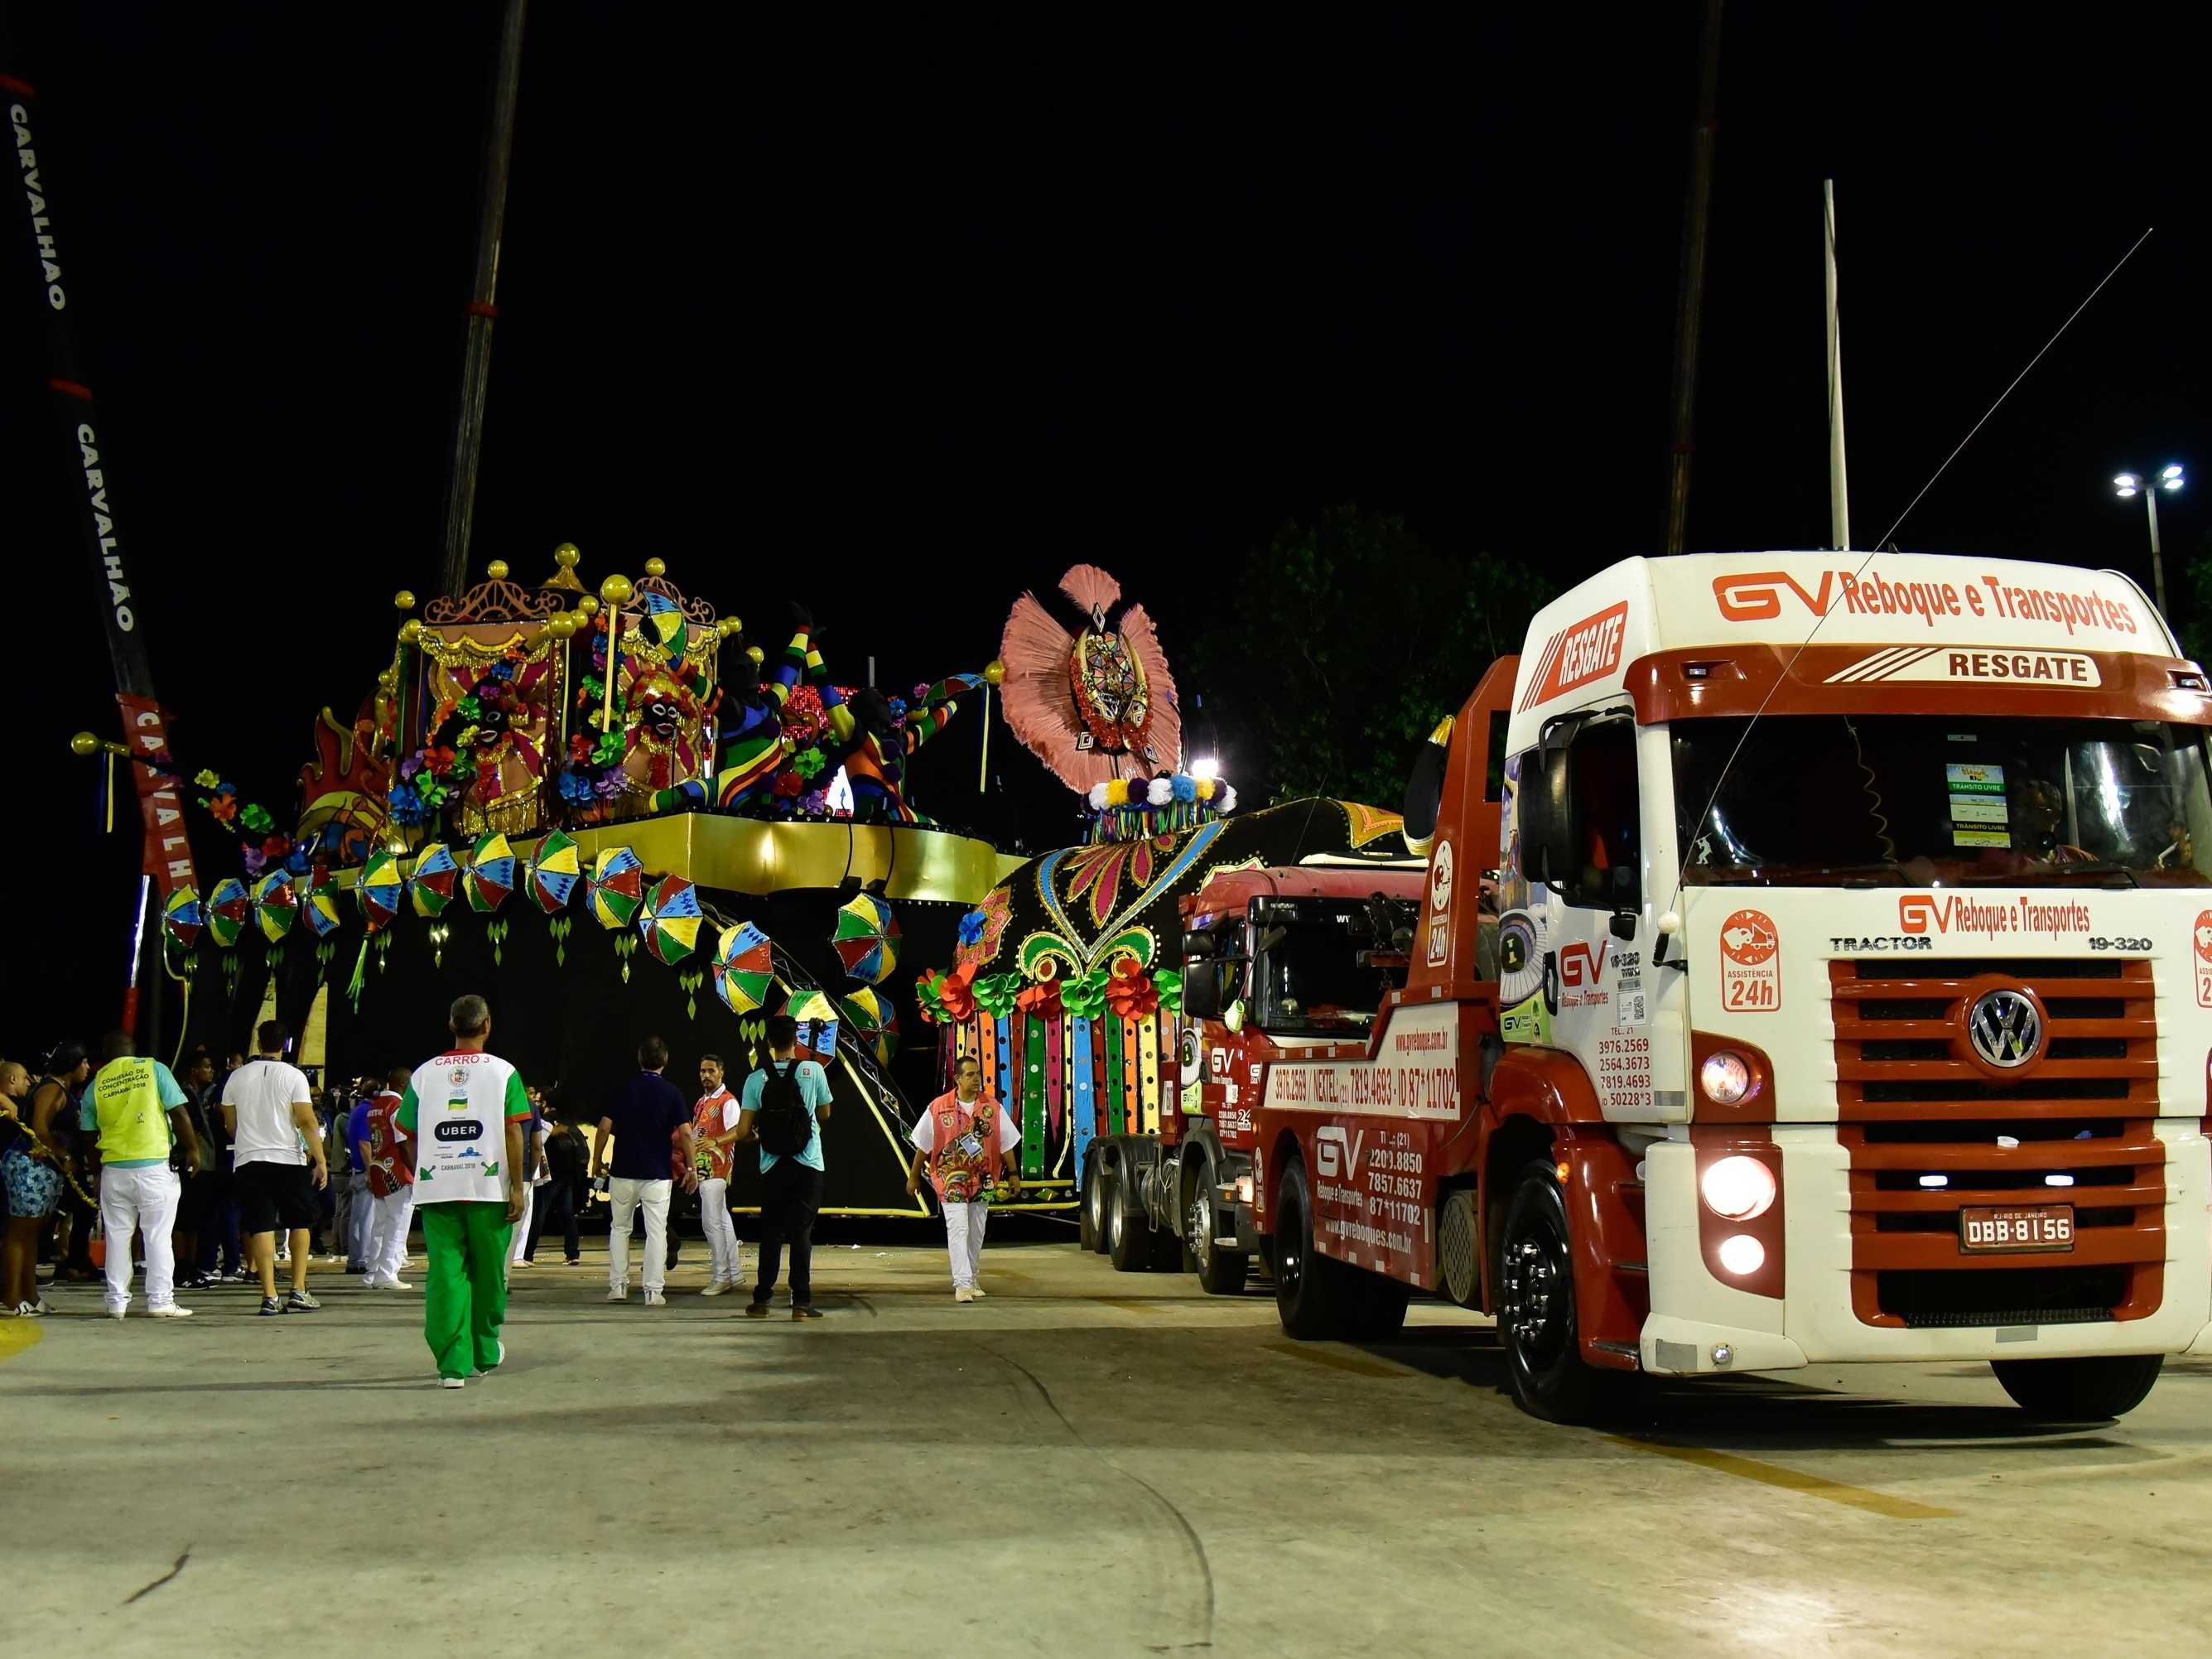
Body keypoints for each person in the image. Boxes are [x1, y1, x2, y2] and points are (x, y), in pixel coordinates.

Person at [397, 995, 529, 1388]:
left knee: (446, 1277)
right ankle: (484, 1352)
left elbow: (406, 1132)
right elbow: (513, 1132)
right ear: (487, 1025)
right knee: (489, 1277)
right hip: (489, 1190)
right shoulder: (504, 1073)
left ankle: (452, 1365)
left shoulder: (423, 1074)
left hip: (439, 1190)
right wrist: (518, 1188)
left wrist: (425, 1169)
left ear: (452, 1025)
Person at [88, 1030, 201, 1320]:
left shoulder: (96, 1084)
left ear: (106, 1054)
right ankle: (160, 1300)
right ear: (133, 1049)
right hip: (153, 1166)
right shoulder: (153, 1069)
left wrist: (97, 1170)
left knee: (117, 1236)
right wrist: (192, 1149)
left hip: (114, 1169)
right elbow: (178, 1113)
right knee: (158, 1237)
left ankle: (116, 1302)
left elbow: (88, 1135)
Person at [220, 1020, 328, 1316]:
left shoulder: (236, 1078)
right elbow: (306, 1119)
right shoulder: (294, 1076)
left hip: (249, 1160)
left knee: (261, 1225)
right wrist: (319, 1159)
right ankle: (298, 1288)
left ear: (258, 1042)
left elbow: (231, 1125)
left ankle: (269, 1295)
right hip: (287, 1159)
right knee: (300, 1221)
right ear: (285, 1044)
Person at [735, 1014, 832, 1320]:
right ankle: (801, 1304)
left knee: (772, 1233)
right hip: (809, 1163)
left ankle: (762, 1300)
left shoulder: (755, 1078)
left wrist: (754, 1135)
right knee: (801, 1232)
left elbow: (743, 1130)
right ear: (796, 1040)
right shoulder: (813, 1070)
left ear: (769, 1043)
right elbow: (825, 1113)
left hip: (773, 1164)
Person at [590, 1036, 697, 1306]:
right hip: (658, 1174)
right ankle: (653, 1291)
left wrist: (596, 1160)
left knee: (620, 1228)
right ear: (665, 1061)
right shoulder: (672, 1093)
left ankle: (618, 1286)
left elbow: (603, 1127)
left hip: (623, 1170)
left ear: (640, 1059)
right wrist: (692, 1168)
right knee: (656, 1232)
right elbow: (685, 1132)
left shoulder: (622, 1088)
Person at [906, 1054, 1021, 1304]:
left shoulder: (992, 1108)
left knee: (977, 1230)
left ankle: (972, 1278)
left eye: (978, 1073)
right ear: (957, 1079)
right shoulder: (938, 1107)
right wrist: (913, 1176)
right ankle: (962, 1284)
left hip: (983, 1179)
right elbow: (923, 1146)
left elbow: (1006, 1144)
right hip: (951, 1180)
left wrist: (1013, 1174)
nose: (976, 1078)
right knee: (958, 1227)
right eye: (970, 1074)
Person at [1, 1044, 85, 1316]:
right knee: (20, 1232)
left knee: (33, 1232)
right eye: (84, 1062)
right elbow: (40, 1128)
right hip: (31, 1163)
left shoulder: (61, 1088)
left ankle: (30, 1294)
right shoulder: (52, 1089)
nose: (87, 1068)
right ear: (72, 1064)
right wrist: (64, 1156)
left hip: (45, 1169)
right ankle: (12, 1297)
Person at [690, 1053, 745, 1295]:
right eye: (703, 1071)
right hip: (704, 1169)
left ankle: (721, 1276)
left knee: (711, 1223)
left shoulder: (727, 1101)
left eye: (711, 1071)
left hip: (718, 1168)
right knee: (722, 1221)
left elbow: (738, 1131)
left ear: (721, 1073)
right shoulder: (702, 1102)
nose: (706, 1075)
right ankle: (734, 1272)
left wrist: (715, 1142)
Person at [361, 1066, 415, 1290]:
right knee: (398, 1223)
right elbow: (403, 1141)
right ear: (403, 1083)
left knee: (380, 1223)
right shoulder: (397, 1106)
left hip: (379, 1167)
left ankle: (373, 1271)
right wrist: (414, 1170)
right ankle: (387, 1273)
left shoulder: (375, 1106)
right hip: (397, 1171)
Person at [523, 1117, 583, 1266]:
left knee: (538, 1215)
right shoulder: (566, 1122)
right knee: (567, 1215)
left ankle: (527, 1254)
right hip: (566, 1176)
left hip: (549, 1178)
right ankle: (572, 1253)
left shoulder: (543, 1118)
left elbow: (541, 1140)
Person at [509, 1085, 548, 1269]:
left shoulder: (491, 1098)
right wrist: (530, 1173)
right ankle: (503, 1276)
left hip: (488, 1171)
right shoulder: (530, 1106)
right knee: (515, 1226)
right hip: (522, 1171)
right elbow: (536, 1146)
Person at [342, 1083, 375, 1274]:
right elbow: (365, 1142)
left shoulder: (356, 1111)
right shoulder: (367, 1112)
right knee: (367, 1218)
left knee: (356, 1218)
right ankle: (363, 1259)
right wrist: (371, 1172)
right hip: (364, 1171)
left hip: (355, 1170)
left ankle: (354, 1259)